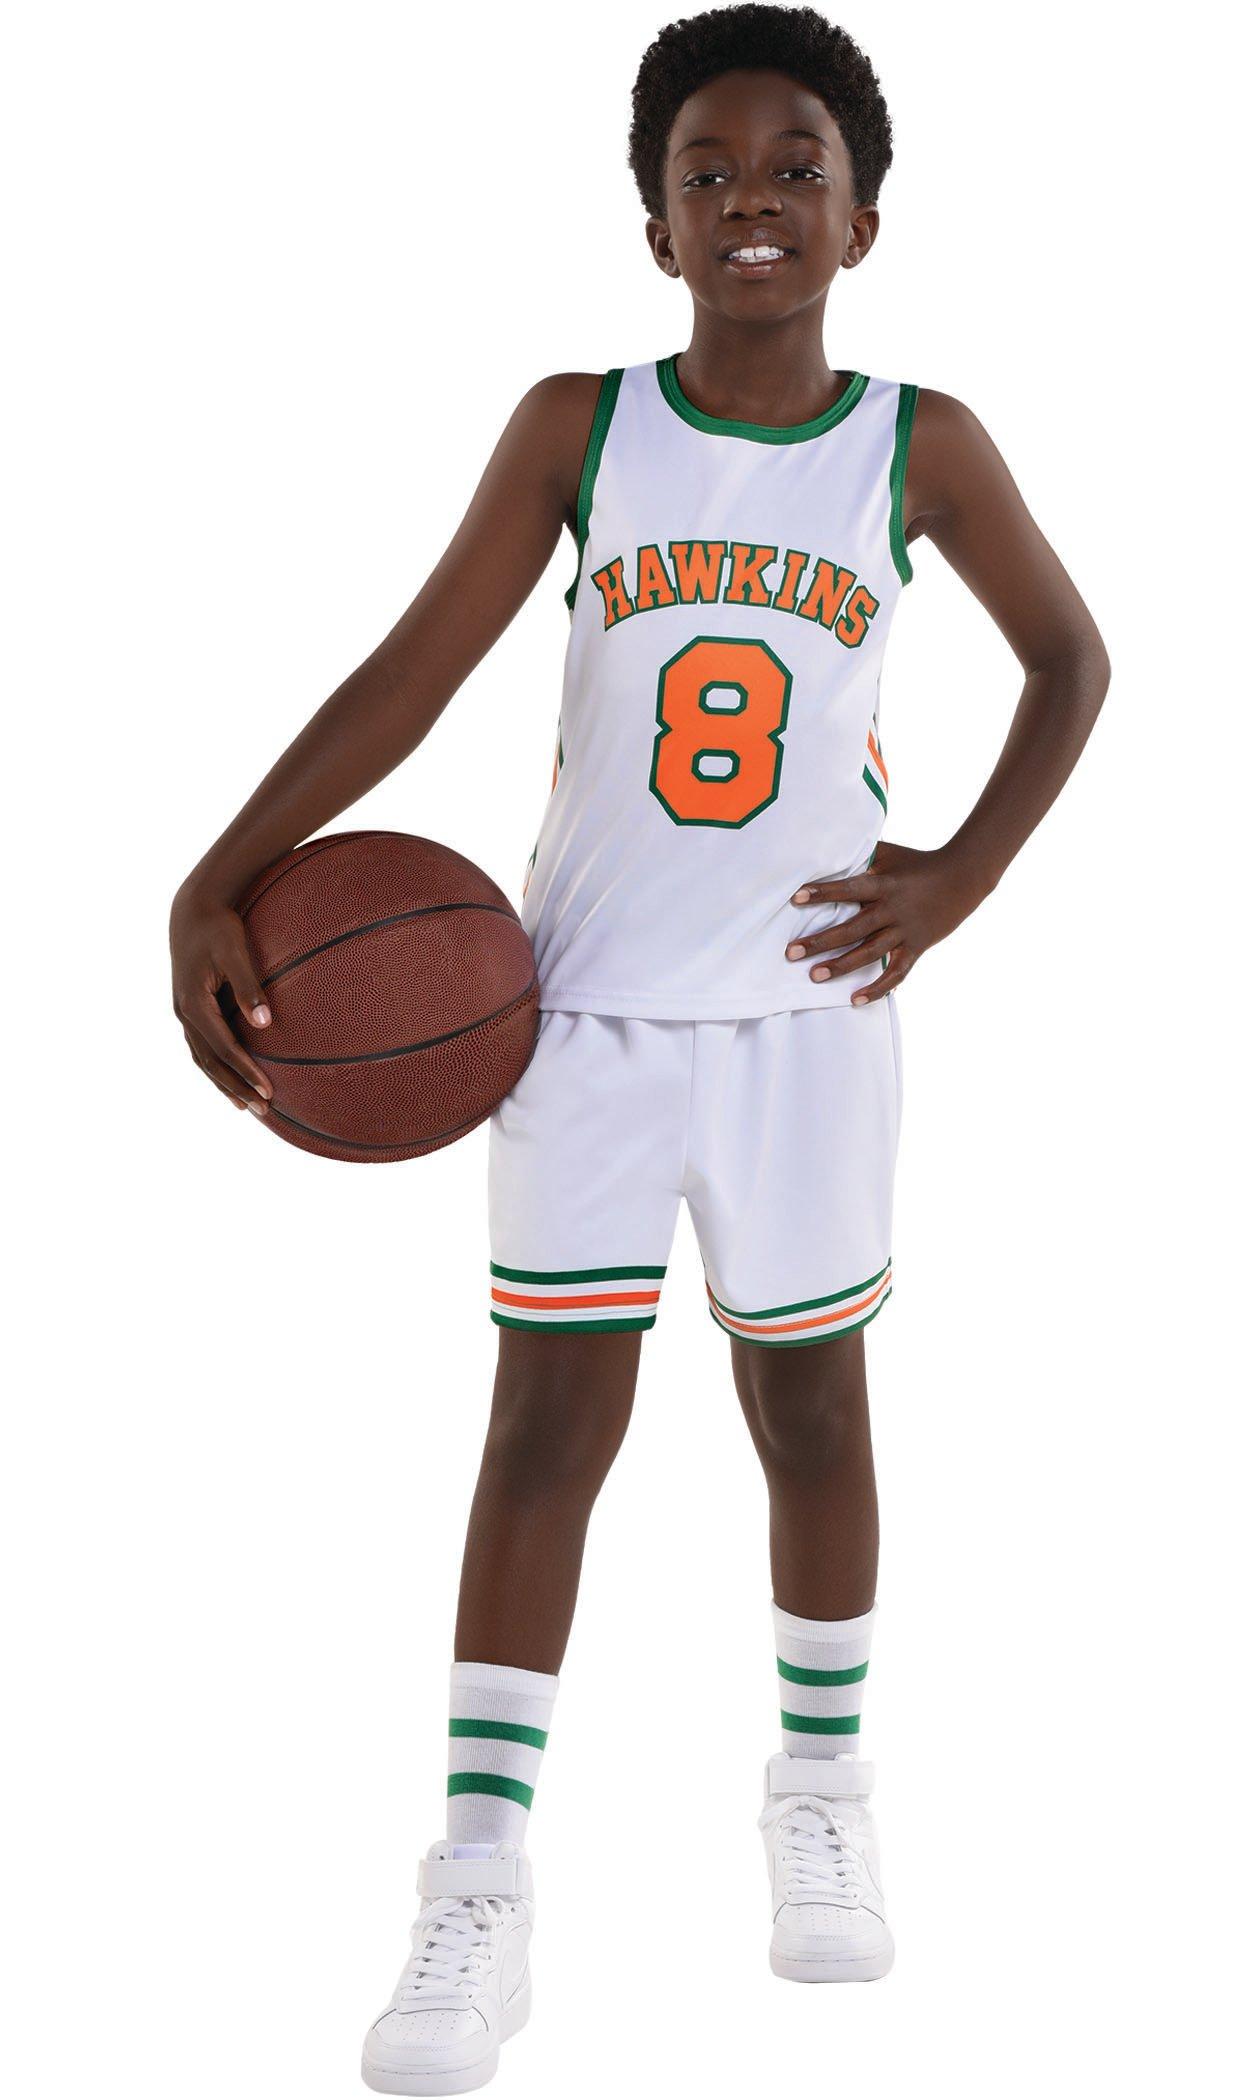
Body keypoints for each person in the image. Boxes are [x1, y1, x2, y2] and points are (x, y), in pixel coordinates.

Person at [169, 7, 1109, 2091]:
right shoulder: (576, 428)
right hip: (577, 1015)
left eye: (794, 167)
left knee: (811, 1413)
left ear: (864, 218)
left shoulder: (918, 441)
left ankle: (822, 1795)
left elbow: (1070, 659)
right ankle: (479, 1888)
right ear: (655, 223)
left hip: (805, 1020)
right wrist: (216, 872)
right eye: (705, 171)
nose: (750, 197)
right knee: (540, 1433)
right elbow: (411, 674)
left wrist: (959, 877)